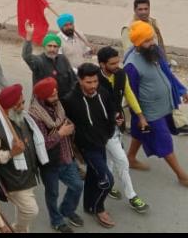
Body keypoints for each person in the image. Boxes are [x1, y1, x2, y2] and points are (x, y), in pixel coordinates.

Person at [123, 21, 188, 186]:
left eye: (151, 38)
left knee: (140, 133)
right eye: (147, 41)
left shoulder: (153, 51)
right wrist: (140, 116)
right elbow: (131, 95)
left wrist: (182, 91)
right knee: (164, 141)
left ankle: (130, 158)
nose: (151, 43)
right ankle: (181, 175)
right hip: (150, 112)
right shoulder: (131, 65)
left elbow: (167, 72)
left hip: (165, 106)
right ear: (137, 44)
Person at [0, 84, 49, 233]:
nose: (22, 107)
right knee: (31, 210)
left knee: (23, 209)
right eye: (18, 105)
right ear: (7, 108)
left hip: (29, 173)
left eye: (23, 102)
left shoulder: (23, 117)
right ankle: (17, 229)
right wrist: (11, 153)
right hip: (14, 179)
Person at [62, 63, 118, 228]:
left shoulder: (102, 93)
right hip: (87, 147)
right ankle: (99, 208)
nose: (93, 86)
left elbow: (110, 111)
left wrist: (113, 124)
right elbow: (63, 122)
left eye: (95, 81)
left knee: (94, 175)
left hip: (102, 141)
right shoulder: (70, 100)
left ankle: (88, 205)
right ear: (79, 80)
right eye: (88, 82)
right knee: (107, 179)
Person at [96, 47, 150, 213]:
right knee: (122, 161)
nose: (117, 65)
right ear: (102, 64)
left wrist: (140, 116)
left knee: (111, 159)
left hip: (117, 126)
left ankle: (108, 184)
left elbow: (129, 94)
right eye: (112, 63)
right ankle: (132, 196)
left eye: (117, 61)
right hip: (101, 129)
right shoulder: (93, 79)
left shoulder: (121, 74)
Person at [28, 77, 84, 233]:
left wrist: (69, 127)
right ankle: (57, 220)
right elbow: (42, 144)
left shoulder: (58, 106)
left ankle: (66, 210)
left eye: (56, 92)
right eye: (51, 94)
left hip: (66, 156)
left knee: (77, 186)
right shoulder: (34, 116)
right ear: (42, 96)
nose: (56, 96)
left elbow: (63, 120)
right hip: (50, 163)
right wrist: (60, 133)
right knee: (52, 193)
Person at [22, 20, 77, 100]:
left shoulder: (63, 59)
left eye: (55, 47)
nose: (52, 49)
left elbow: (73, 79)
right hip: (43, 104)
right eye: (49, 46)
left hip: (63, 102)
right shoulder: (39, 61)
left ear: (58, 48)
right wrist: (29, 36)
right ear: (44, 47)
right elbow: (26, 56)